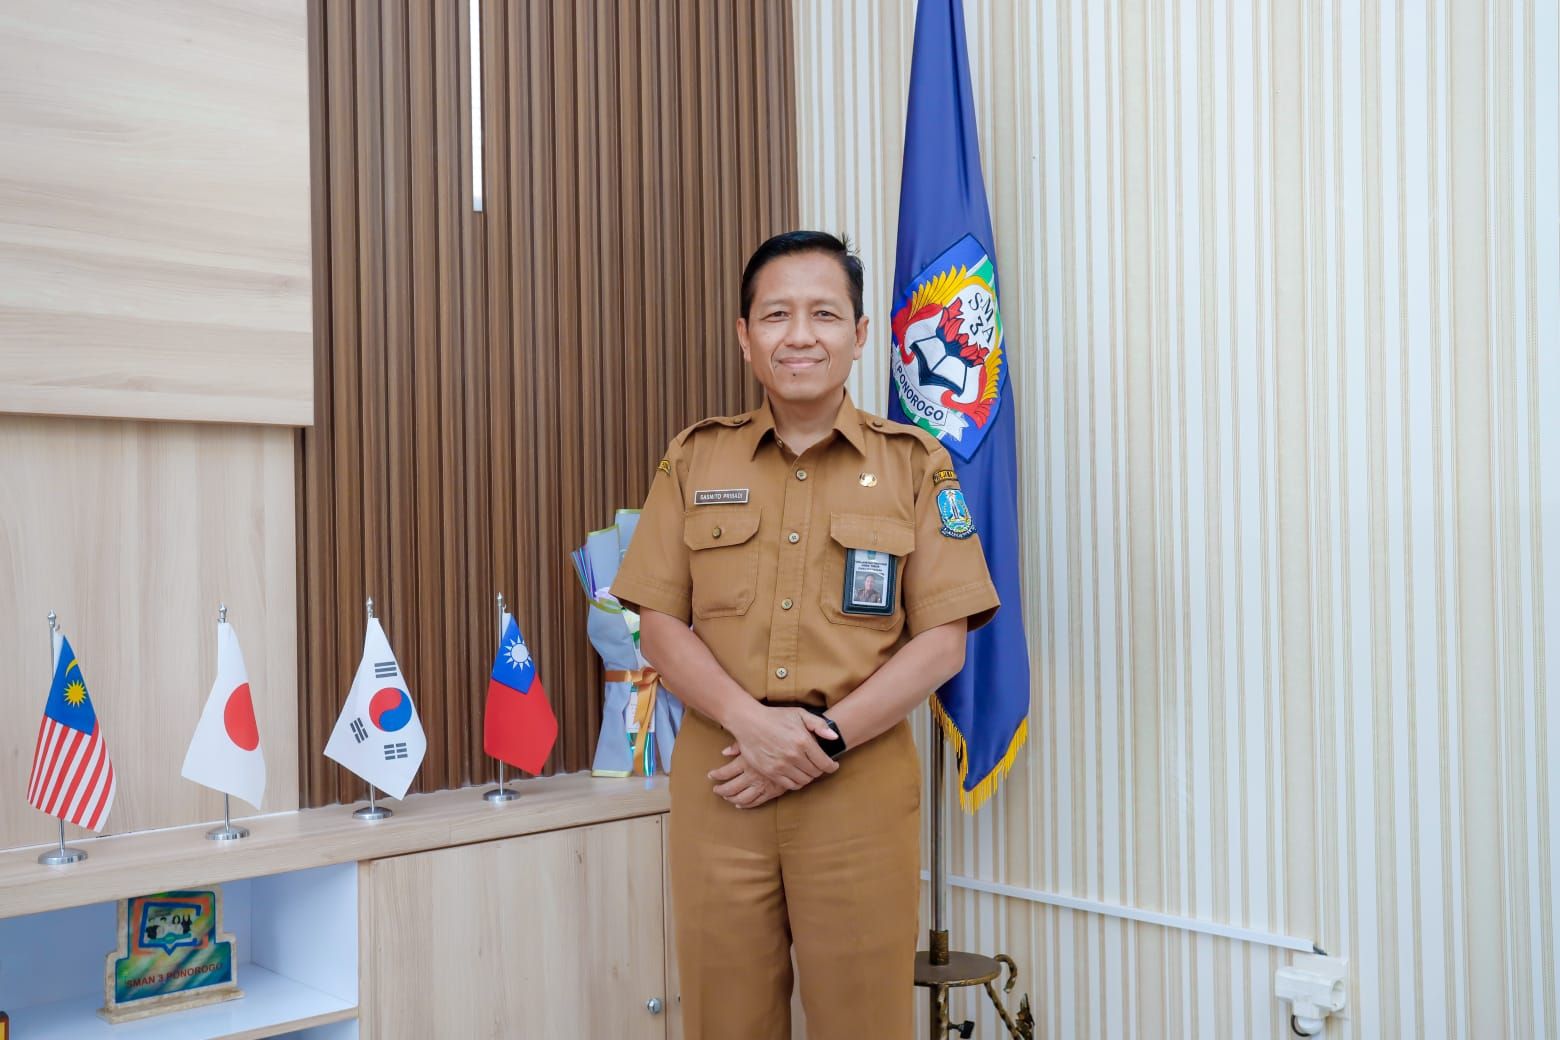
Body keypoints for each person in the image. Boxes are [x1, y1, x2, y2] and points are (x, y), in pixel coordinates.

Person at [611, 230, 999, 1039]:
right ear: (744, 336)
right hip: (725, 780)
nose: (800, 335)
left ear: (860, 335)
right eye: (776, 314)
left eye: (824, 314)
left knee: (865, 1022)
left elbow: (943, 640)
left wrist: (818, 739)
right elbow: (659, 624)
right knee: (725, 1020)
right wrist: (754, 728)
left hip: (856, 784)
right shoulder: (696, 458)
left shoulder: (914, 463)